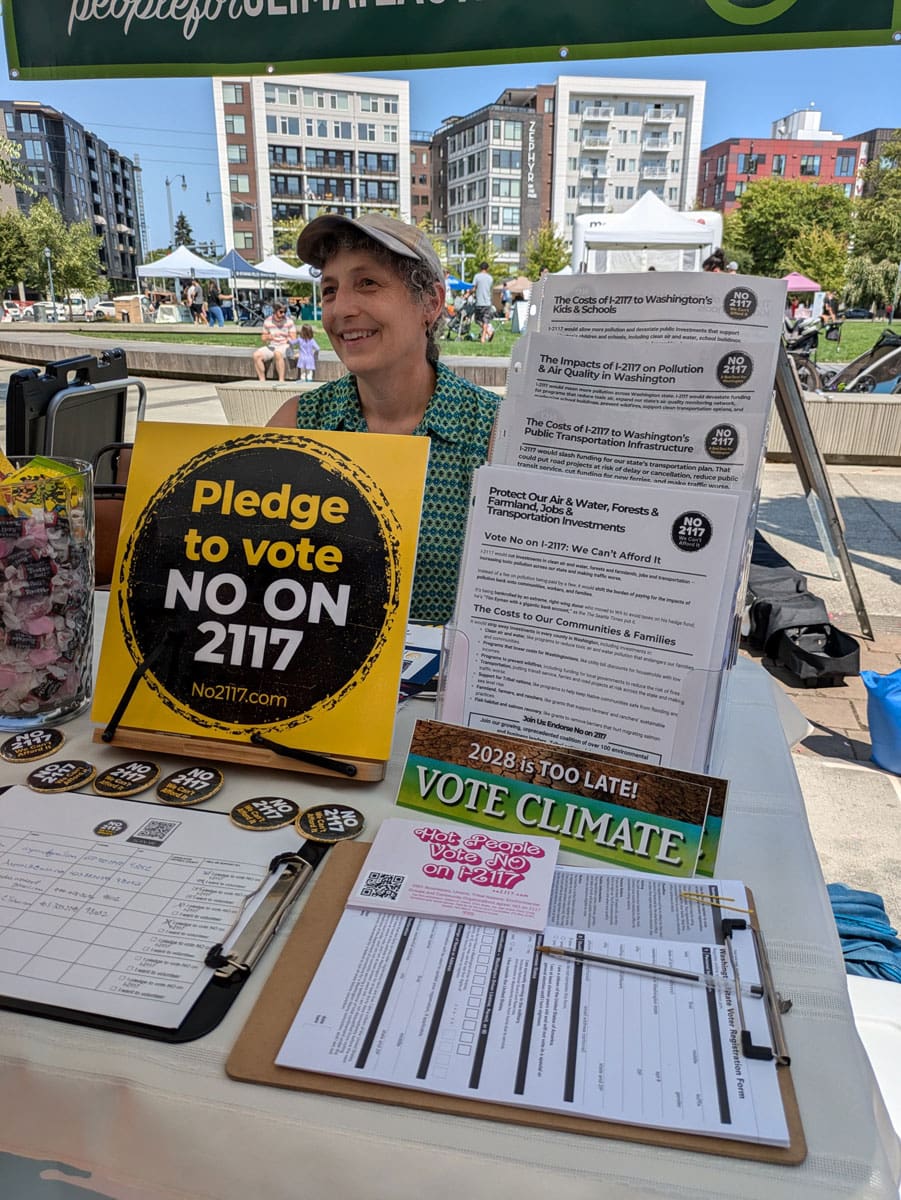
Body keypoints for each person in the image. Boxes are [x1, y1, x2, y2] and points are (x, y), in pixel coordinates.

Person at [269, 212, 498, 624]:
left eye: (368, 283)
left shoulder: (492, 434)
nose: (343, 309)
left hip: (442, 687)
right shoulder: (296, 426)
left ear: (429, 302)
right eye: (330, 290)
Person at [253, 301, 297, 381]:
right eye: (281, 312)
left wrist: (288, 339)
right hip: (273, 345)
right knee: (256, 355)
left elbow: (294, 338)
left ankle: (281, 380)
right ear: (275, 310)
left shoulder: (289, 321)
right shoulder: (267, 321)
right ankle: (262, 380)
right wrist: (269, 337)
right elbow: (263, 337)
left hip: (285, 345)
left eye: (285, 312)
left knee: (277, 353)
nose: (283, 314)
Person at [472, 260, 494, 344]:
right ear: (487, 269)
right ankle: (488, 333)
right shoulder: (490, 278)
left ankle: (483, 338)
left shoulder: (477, 276)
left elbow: (474, 288)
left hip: (479, 302)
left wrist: (468, 293)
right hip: (487, 302)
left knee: (477, 320)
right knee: (485, 320)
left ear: (480, 268)